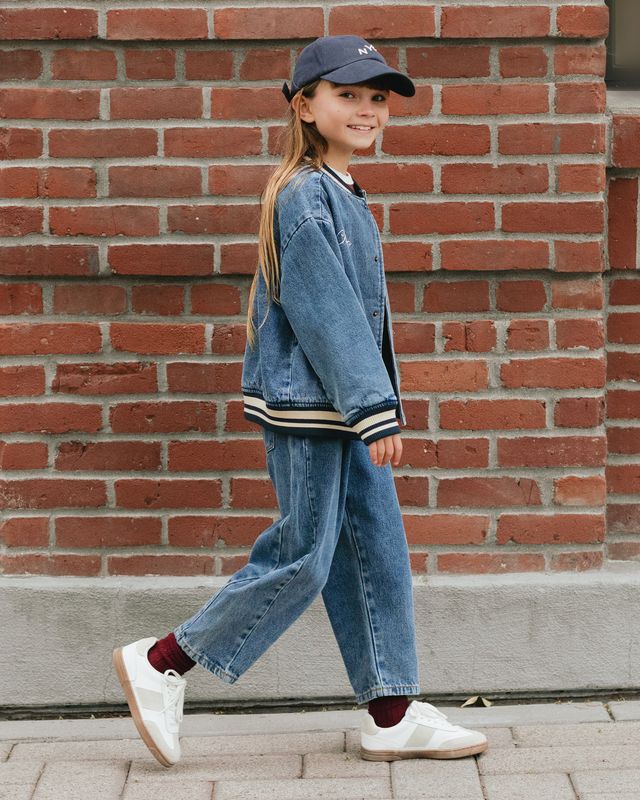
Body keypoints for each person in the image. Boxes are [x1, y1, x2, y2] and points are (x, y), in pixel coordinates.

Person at [112, 34, 488, 768]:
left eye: (377, 97)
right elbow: (328, 313)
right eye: (348, 95)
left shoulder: (340, 189)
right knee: (304, 556)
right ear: (306, 106)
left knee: (376, 551)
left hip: (342, 408)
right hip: (316, 411)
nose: (367, 109)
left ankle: (390, 713)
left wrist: (367, 406)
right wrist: (373, 406)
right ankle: (162, 661)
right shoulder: (306, 195)